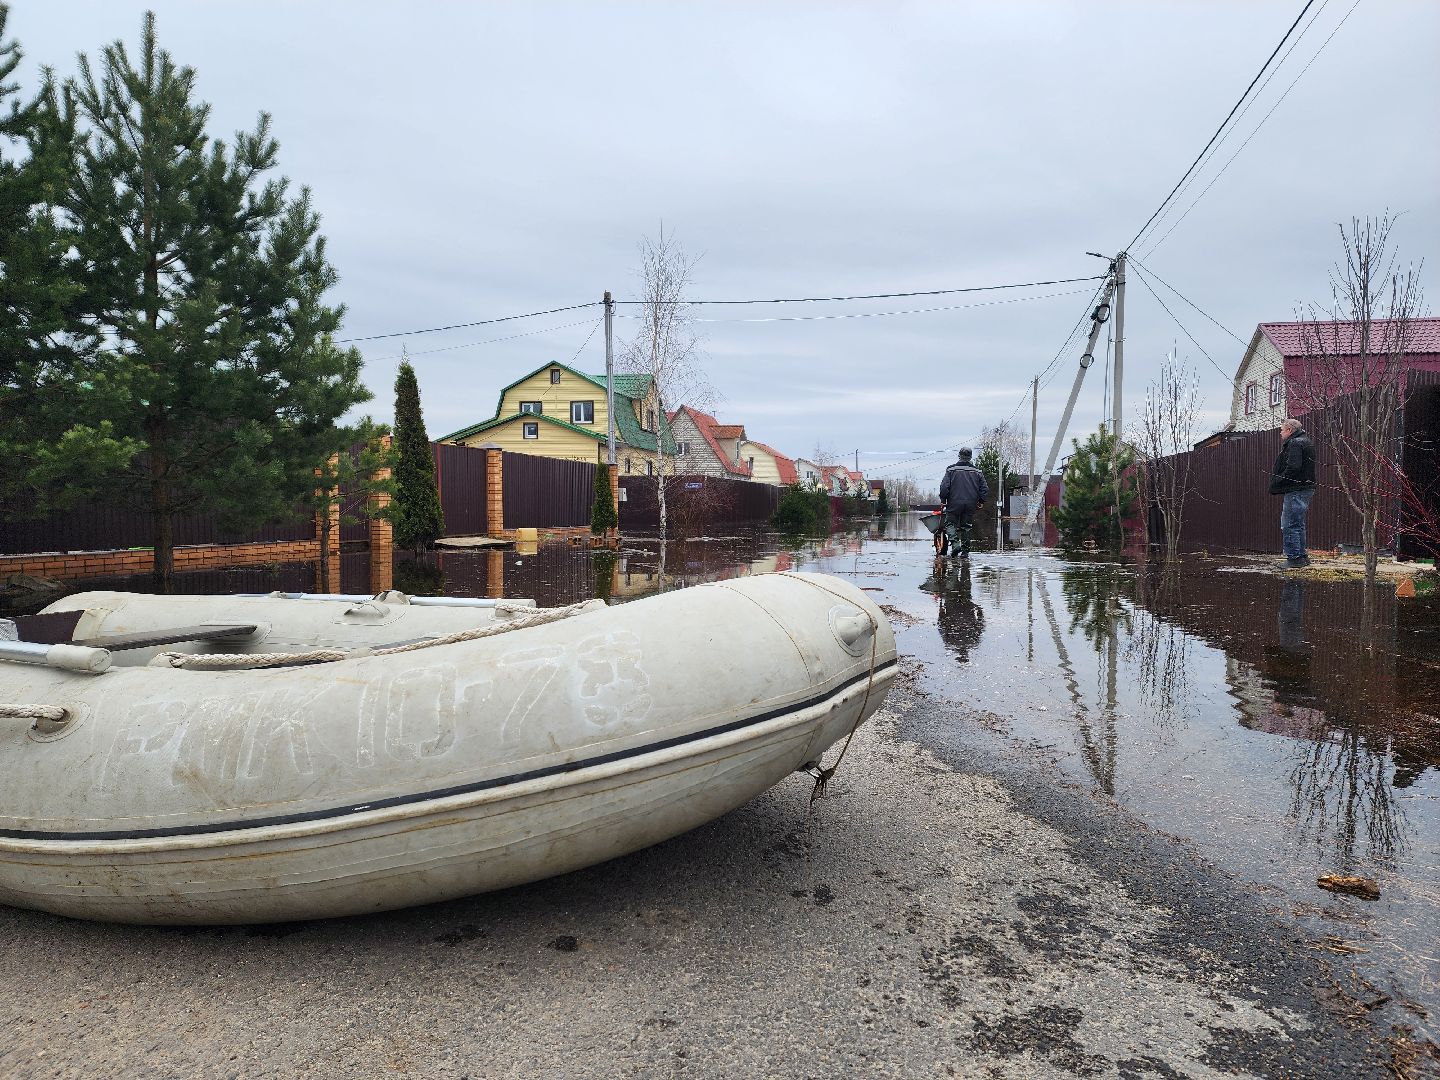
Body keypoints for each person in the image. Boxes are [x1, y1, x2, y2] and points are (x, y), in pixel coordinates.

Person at [1268, 418, 1316, 569]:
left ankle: (1294, 558)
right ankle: (1301, 556)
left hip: (1296, 488)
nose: (1281, 433)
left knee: (1289, 524)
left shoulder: (1295, 443)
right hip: (1305, 487)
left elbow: (1293, 468)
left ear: (1289, 430)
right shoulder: (1305, 441)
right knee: (1298, 523)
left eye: (1282, 430)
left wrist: (1278, 480)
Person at [938, 448, 988, 560]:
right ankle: (965, 553)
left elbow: (944, 487)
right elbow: (984, 488)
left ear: (959, 456)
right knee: (966, 527)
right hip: (970, 503)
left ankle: (955, 544)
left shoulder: (951, 470)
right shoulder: (977, 471)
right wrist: (981, 501)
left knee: (950, 524)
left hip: (954, 503)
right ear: (970, 457)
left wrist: (943, 500)